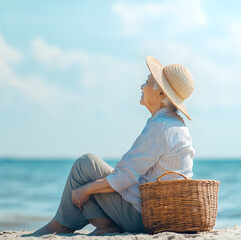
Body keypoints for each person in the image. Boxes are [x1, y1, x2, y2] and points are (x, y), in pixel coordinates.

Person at [33, 56, 195, 235]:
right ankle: (104, 226)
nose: (142, 86)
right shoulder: (176, 125)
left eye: (148, 82)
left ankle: (62, 225)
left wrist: (86, 189)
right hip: (159, 212)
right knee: (94, 178)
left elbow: (125, 176)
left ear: (161, 94)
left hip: (144, 216)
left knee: (86, 164)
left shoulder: (160, 127)